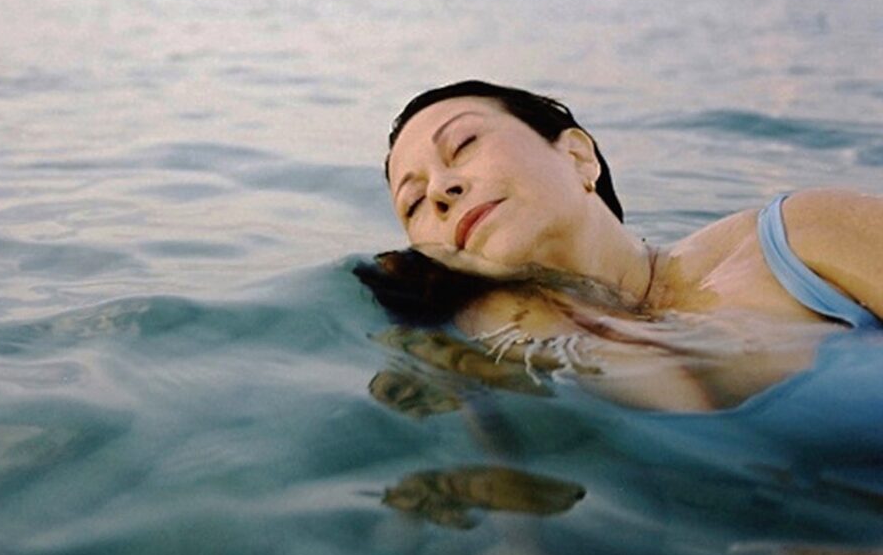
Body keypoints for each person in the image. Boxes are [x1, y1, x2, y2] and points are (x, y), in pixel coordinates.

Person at [362, 79, 883, 411]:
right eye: (413, 204)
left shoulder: (800, 236)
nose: (439, 190)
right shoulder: (496, 361)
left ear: (578, 157)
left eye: (464, 144)